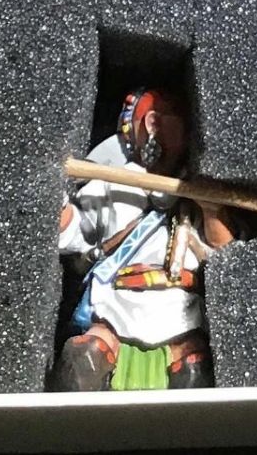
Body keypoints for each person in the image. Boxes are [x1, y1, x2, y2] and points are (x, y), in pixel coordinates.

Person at [50, 87, 238, 392]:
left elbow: (222, 250)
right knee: (85, 358)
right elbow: (77, 233)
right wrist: (56, 204)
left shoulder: (197, 190)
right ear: (149, 123)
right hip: (117, 300)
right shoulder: (110, 184)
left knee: (194, 365)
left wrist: (212, 207)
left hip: (178, 306)